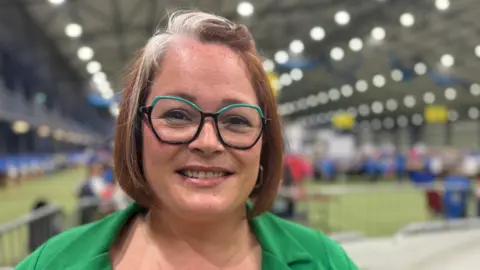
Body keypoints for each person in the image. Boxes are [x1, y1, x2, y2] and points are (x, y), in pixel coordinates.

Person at [16, 11, 358, 270]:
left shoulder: (325, 261)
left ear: (264, 144)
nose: (208, 142)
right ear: (136, 132)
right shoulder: (54, 263)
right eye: (178, 115)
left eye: (236, 120)